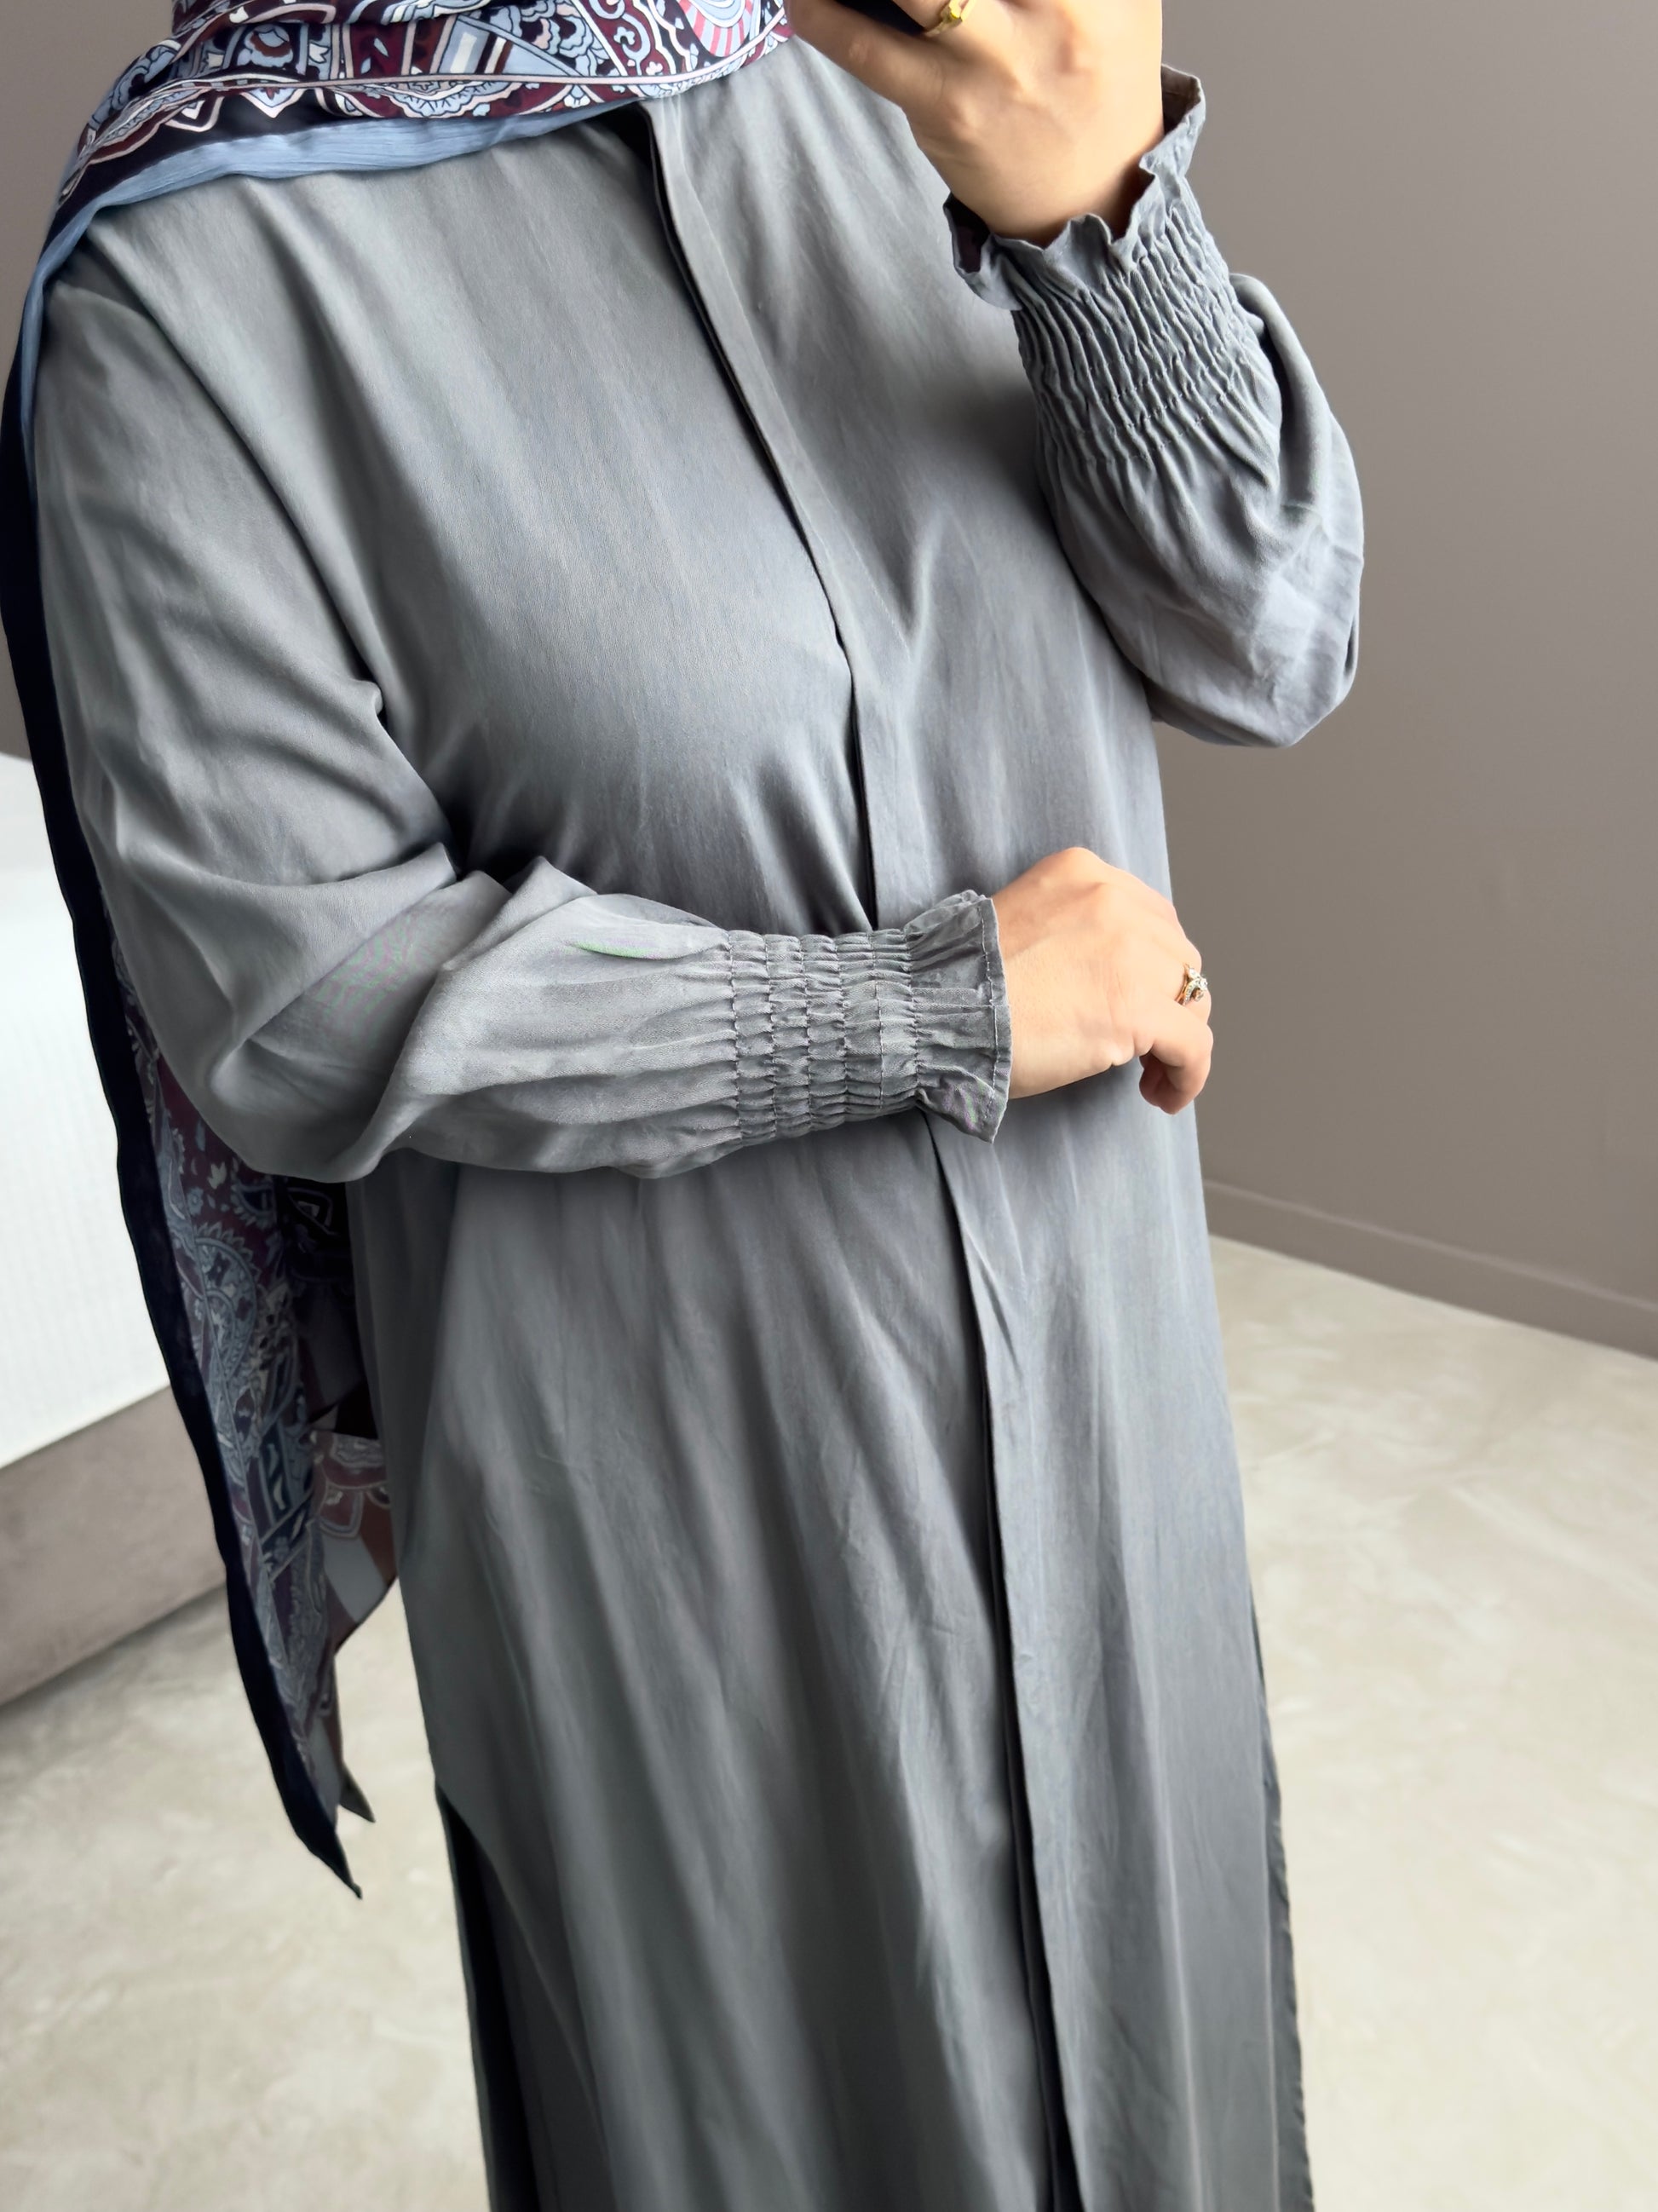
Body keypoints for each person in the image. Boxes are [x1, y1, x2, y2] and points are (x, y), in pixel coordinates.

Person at [9, 0, 1362, 2203]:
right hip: (676, 1484)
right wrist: (925, 1010)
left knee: (1170, 2071)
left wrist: (1102, 218)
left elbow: (1274, 639)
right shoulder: (191, 275)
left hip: (1098, 1383)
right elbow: (293, 996)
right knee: (766, 2107)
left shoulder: (916, 66)